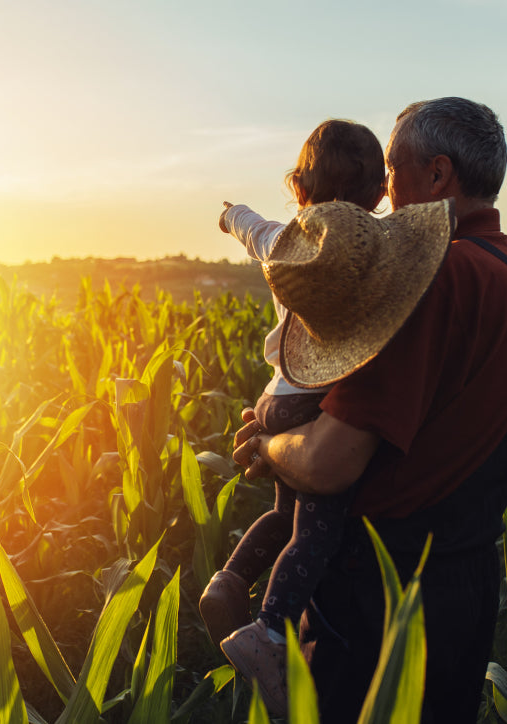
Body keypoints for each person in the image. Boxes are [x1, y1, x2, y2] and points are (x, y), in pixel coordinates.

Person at [231, 97, 507, 723]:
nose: (382, 190)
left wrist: (269, 448)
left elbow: (329, 464)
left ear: (437, 177)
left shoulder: (434, 278)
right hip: (460, 593)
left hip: (380, 599)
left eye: (391, 168)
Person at [200, 119, 390, 715]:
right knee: (317, 529)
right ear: (380, 196)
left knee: (283, 517)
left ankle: (227, 582)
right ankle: (269, 630)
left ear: (301, 189)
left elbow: (251, 228)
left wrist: (232, 215)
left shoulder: (283, 241)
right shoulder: (369, 256)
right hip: (316, 399)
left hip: (276, 395)